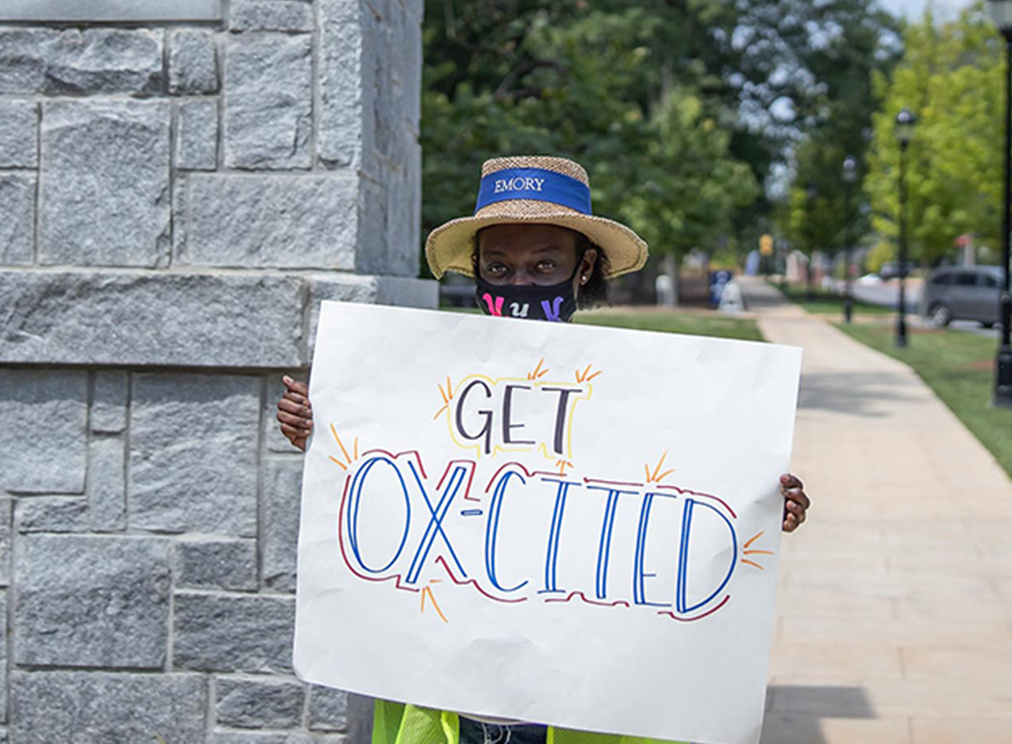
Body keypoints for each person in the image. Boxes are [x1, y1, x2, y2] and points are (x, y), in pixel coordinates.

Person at [276, 155, 811, 744]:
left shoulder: (647, 394)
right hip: (448, 701)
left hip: (579, 708)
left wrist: (756, 502)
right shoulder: (417, 376)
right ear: (476, 270)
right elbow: (375, 483)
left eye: (543, 264)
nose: (520, 284)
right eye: (499, 267)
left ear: (582, 269)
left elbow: (684, 506)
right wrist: (322, 431)